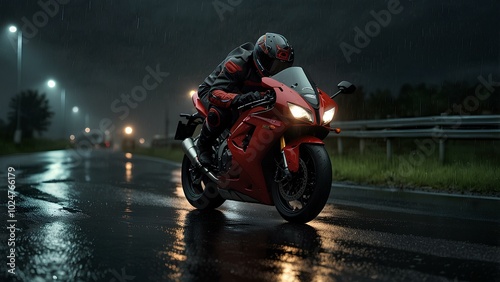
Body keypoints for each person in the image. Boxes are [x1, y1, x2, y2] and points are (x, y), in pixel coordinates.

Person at [196, 32, 294, 165]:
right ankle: (203, 147)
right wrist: (248, 98)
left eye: (281, 66)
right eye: (273, 65)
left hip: (248, 97)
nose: (276, 70)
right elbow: (215, 94)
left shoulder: (276, 77)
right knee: (221, 113)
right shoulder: (237, 64)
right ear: (261, 57)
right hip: (212, 91)